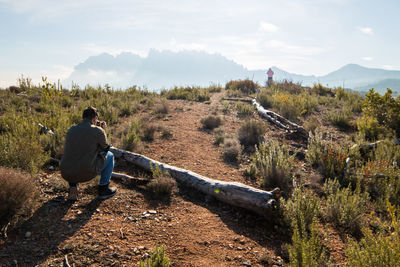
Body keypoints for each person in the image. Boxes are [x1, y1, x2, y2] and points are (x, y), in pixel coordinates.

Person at [60, 106, 117, 201]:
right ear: (95, 118)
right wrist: (103, 130)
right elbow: (105, 148)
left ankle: (73, 187)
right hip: (86, 174)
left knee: (73, 155)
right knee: (110, 156)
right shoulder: (98, 131)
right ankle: (103, 189)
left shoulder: (71, 129)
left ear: (83, 117)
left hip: (66, 173)